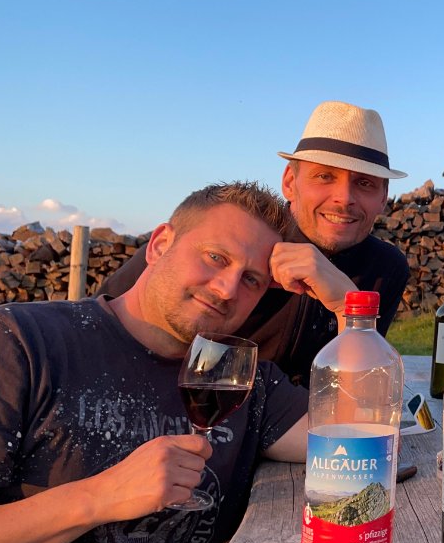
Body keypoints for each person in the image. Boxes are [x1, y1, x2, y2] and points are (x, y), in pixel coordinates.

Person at [0, 181, 310, 543]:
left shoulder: (239, 378)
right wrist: (99, 497)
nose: (227, 289)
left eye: (252, 280)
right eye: (215, 258)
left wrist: (346, 303)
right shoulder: (18, 342)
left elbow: (360, 433)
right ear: (160, 244)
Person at [101, 101, 410, 384]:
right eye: (324, 177)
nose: (344, 198)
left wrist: (350, 303)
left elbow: (363, 388)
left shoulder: (386, 269)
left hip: (299, 421)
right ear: (290, 182)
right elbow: (104, 327)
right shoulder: (231, 237)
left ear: (383, 198)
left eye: (365, 183)